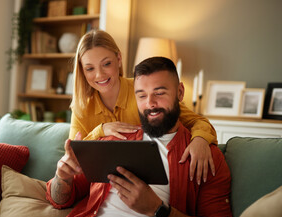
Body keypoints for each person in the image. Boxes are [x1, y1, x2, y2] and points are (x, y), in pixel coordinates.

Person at [16, 57, 233, 217]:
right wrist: (63, 176)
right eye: (141, 95)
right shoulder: (115, 139)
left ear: (179, 92)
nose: (150, 103)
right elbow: (59, 199)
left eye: (159, 93)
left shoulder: (204, 155)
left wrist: (157, 210)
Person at [69, 29, 217, 184]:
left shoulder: (144, 92)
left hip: (152, 180)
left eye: (106, 64)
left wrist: (200, 140)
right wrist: (101, 130)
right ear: (82, 70)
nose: (99, 75)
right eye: (90, 68)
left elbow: (199, 122)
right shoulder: (81, 108)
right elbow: (73, 156)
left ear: (119, 59)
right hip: (106, 188)